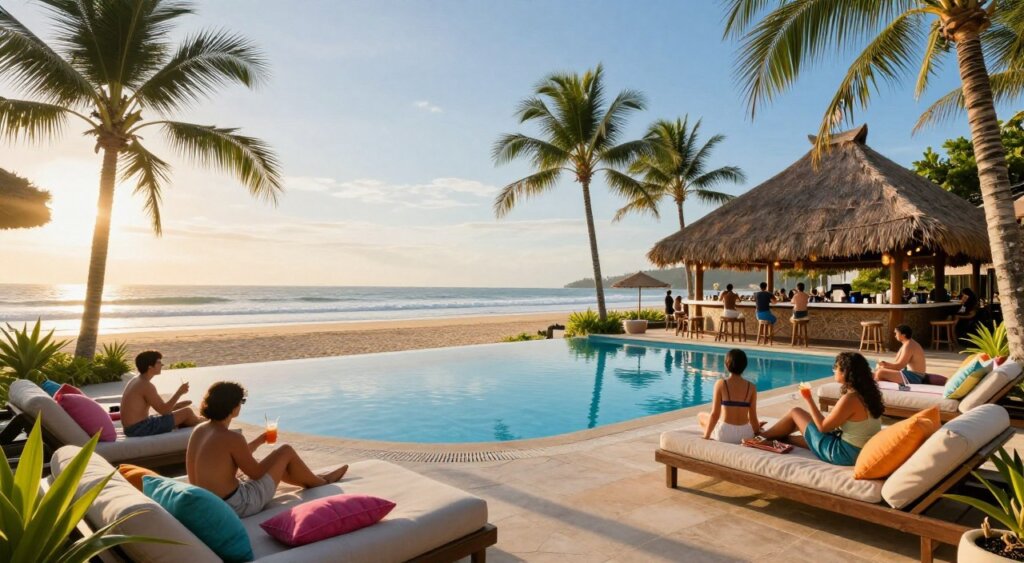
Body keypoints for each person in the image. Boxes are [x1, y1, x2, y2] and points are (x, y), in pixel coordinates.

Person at [187, 382, 349, 518]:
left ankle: (311, 479)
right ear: (233, 407)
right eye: (241, 402)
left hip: (209, 502)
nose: (240, 406)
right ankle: (322, 482)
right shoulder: (231, 438)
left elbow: (233, 456)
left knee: (271, 460)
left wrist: (260, 440)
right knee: (285, 451)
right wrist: (275, 455)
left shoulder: (200, 430)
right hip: (237, 505)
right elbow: (256, 473)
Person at [759, 352, 883, 466]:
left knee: (796, 412)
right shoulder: (870, 395)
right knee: (788, 437)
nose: (834, 371)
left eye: (836, 368)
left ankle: (760, 436)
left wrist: (808, 398)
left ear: (845, 372)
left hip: (843, 454)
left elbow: (823, 427)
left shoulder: (850, 399)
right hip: (858, 451)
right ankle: (771, 437)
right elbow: (833, 425)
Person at [120, 350, 201, 437]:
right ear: (150, 367)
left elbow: (161, 407)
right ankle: (204, 422)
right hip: (139, 429)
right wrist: (179, 392)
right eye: (158, 362)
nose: (162, 365)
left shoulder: (136, 380)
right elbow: (164, 411)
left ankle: (194, 421)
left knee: (180, 410)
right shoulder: (146, 385)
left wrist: (174, 407)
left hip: (132, 428)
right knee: (187, 412)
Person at [698, 349, 759, 443]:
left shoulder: (721, 384)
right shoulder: (751, 387)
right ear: (745, 366)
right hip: (745, 435)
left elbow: (715, 414)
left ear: (726, 365)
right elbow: (753, 418)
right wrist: (758, 433)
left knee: (701, 416)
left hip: (725, 434)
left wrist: (706, 436)